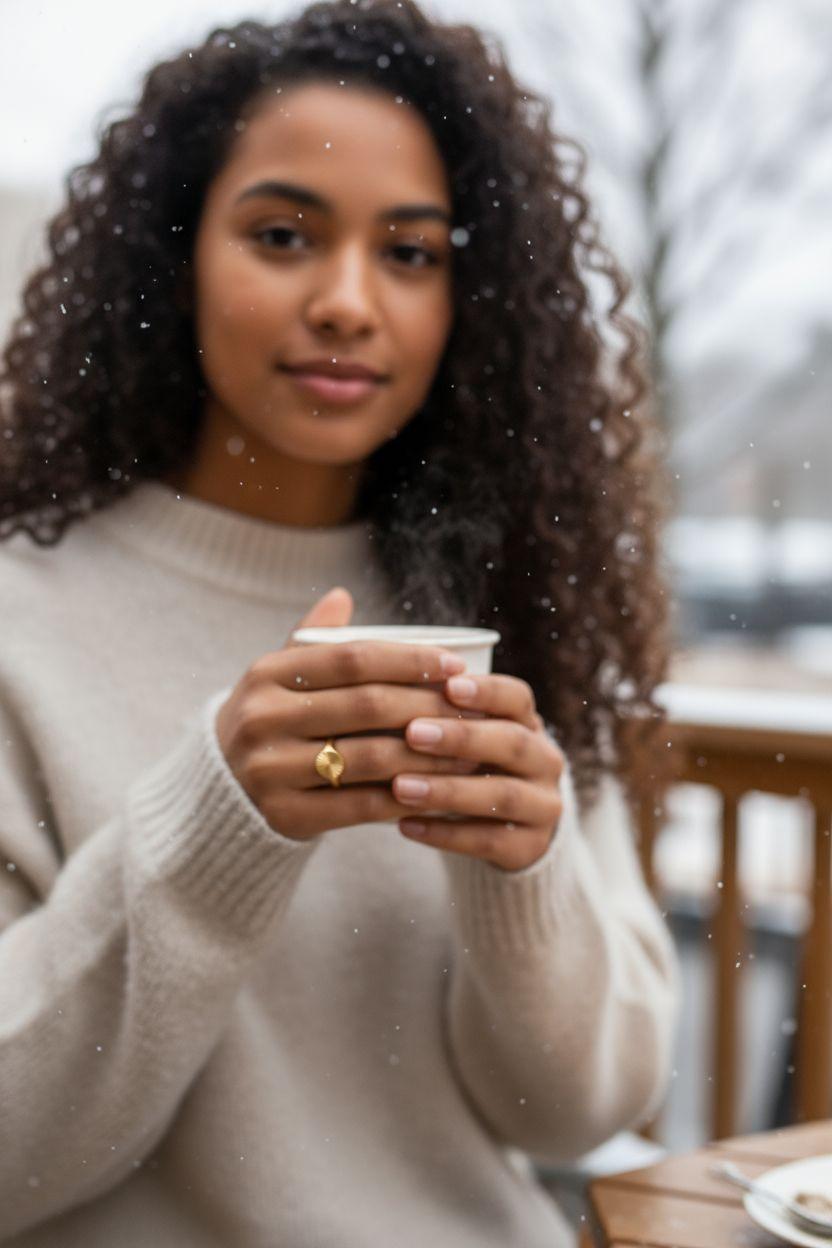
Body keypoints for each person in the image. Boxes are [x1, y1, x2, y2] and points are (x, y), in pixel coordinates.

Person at [0, 1, 678, 1244]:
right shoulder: (18, 632)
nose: (349, 302)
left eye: (412, 253)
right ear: (173, 256)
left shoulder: (508, 606)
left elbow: (575, 1111)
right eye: (281, 235)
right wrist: (214, 824)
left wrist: (523, 878)